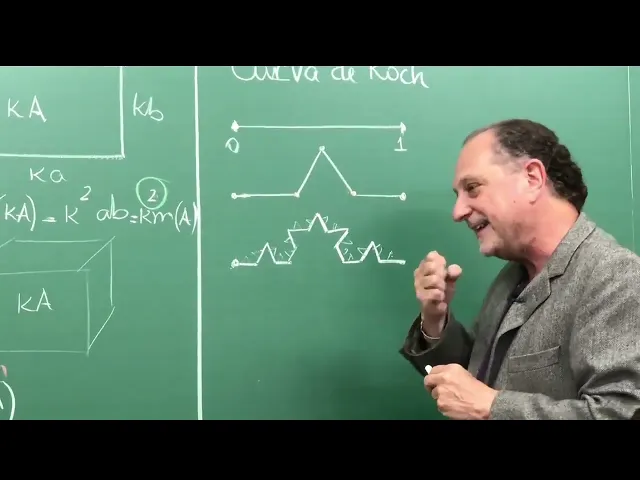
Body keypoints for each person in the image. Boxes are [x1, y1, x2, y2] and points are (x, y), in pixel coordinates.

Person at [400, 118, 640, 420]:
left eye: (472, 188)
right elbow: (476, 382)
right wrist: (435, 321)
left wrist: (493, 407)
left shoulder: (615, 278)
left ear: (532, 178)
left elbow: (620, 413)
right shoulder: (511, 278)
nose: (458, 212)